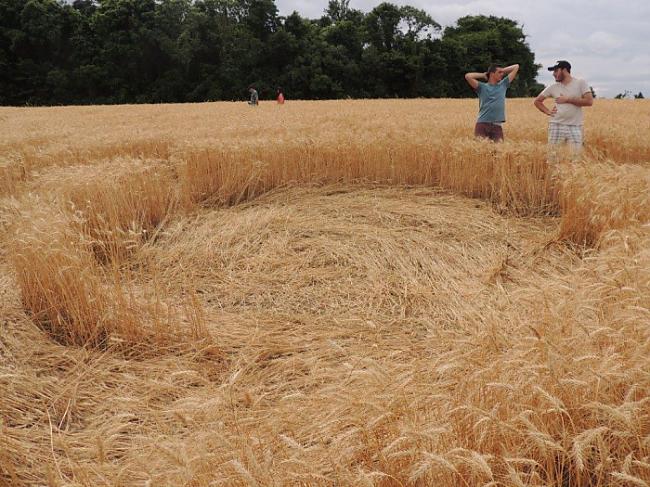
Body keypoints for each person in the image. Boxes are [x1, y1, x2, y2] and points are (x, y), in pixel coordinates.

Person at [534, 60, 593, 156]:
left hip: (575, 126)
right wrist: (548, 112)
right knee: (553, 157)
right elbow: (537, 101)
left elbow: (589, 101)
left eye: (556, 71)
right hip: (556, 125)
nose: (553, 74)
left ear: (564, 70)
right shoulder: (553, 87)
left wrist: (568, 99)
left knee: (576, 159)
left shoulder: (580, 83)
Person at [465, 63, 520, 141]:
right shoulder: (481, 87)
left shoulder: (503, 84)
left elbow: (516, 66)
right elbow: (468, 76)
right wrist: (483, 75)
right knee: (481, 151)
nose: (502, 74)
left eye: (502, 72)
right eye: (499, 72)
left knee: (499, 152)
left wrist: (502, 70)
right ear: (492, 74)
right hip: (482, 124)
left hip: (497, 126)